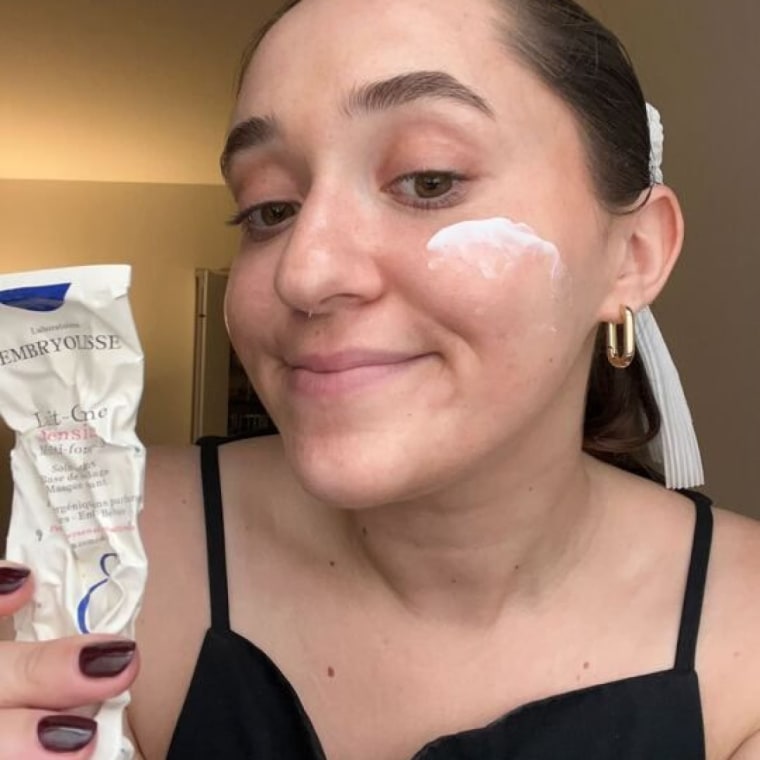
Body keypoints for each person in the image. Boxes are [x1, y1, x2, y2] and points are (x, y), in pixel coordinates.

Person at [1, 0, 760, 757]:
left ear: (634, 255)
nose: (304, 270)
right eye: (269, 208)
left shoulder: (745, 642)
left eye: (428, 181)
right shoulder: (101, 547)